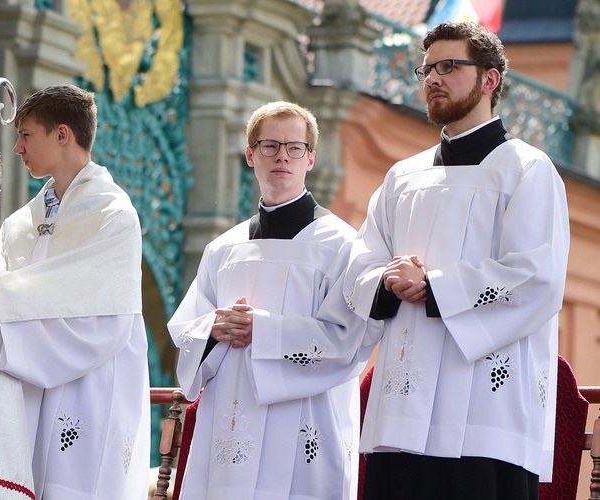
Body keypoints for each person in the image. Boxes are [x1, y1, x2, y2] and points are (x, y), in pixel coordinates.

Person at [344, 21, 570, 499]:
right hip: (400, 413)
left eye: (449, 66)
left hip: (485, 415)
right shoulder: (402, 177)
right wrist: (385, 281)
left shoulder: (527, 170)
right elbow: (360, 263)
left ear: (490, 80)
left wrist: (434, 285)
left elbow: (535, 277)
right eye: (426, 68)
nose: (432, 78)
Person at [168, 101, 379, 499]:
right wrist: (213, 328)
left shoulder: (342, 245)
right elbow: (187, 331)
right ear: (251, 154)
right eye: (269, 145)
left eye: (294, 147)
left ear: (310, 158)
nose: (282, 155)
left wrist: (261, 329)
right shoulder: (223, 249)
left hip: (303, 422)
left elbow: (350, 339)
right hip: (230, 422)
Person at [0, 84, 150, 500]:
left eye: (26, 135)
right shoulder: (18, 224)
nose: (17, 149)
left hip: (90, 383)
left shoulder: (113, 215)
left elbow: (104, 311)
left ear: (62, 135)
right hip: (28, 380)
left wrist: (11, 297)